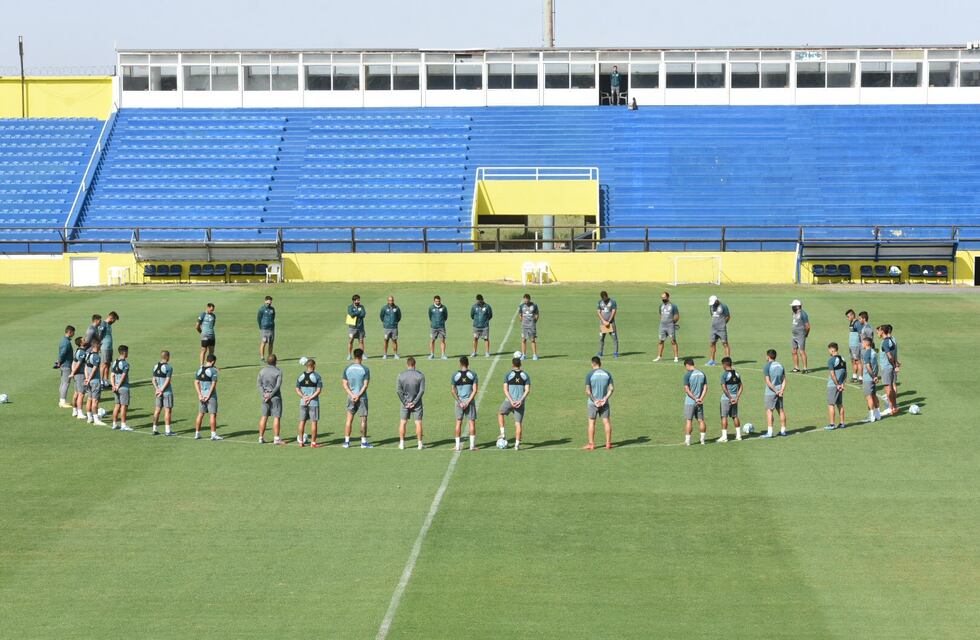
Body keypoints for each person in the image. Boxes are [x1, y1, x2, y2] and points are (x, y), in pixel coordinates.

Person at [342, 348, 373, 448]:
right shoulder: (365, 369)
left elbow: (344, 384)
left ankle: (346, 442)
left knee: (349, 420)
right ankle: (363, 442)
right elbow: (365, 385)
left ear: (354, 356)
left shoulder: (347, 369)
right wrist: (358, 395)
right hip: (362, 397)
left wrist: (352, 395)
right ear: (361, 356)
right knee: (363, 419)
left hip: (350, 397)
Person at [498, 358, 531, 450]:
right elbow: (527, 390)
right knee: (518, 423)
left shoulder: (508, 375)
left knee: (500, 413)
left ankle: (502, 433)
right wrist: (520, 400)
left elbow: (505, 389)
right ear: (520, 364)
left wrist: (511, 401)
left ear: (512, 365)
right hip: (520, 403)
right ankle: (517, 445)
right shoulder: (525, 375)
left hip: (509, 401)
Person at [583, 356, 614, 450]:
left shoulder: (590, 374)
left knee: (591, 423)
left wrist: (595, 400)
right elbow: (611, 389)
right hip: (604, 403)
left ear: (592, 364)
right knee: (606, 422)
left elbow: (587, 391)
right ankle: (608, 443)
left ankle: (591, 444)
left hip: (593, 403)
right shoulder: (607, 374)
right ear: (600, 363)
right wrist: (605, 399)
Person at [396, 357, 426, 450]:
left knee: (403, 422)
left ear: (407, 364)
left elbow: (398, 391)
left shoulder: (401, 375)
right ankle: (420, 444)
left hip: (405, 403)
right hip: (417, 403)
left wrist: (405, 402)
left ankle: (402, 444)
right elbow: (421, 391)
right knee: (418, 422)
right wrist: (414, 402)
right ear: (414, 364)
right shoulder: (420, 375)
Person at [451, 356, 479, 451]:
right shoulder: (473, 374)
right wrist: (467, 402)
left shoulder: (455, 375)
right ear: (468, 363)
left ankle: (457, 446)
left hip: (459, 402)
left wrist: (460, 402)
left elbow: (453, 391)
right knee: (471, 422)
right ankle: (472, 446)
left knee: (458, 422)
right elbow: (475, 390)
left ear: (460, 364)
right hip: (469, 402)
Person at [296, 358, 324, 448]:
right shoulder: (317, 376)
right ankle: (313, 443)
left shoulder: (300, 376)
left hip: (303, 402)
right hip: (313, 403)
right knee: (314, 422)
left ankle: (301, 442)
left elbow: (297, 389)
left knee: (302, 421)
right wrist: (310, 398)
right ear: (313, 365)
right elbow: (318, 390)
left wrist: (303, 397)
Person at [194, 354, 222, 441]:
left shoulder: (199, 369)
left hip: (202, 396)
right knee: (212, 414)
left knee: (200, 414)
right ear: (213, 362)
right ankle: (213, 435)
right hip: (211, 396)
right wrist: (209, 395)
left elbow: (196, 382)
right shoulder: (213, 371)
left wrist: (199, 395)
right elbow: (213, 384)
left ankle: (197, 433)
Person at [761, 349, 788, 438]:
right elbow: (784, 380)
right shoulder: (780, 365)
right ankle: (783, 431)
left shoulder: (767, 366)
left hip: (770, 392)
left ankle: (770, 432)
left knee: (769, 411)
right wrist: (781, 390)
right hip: (780, 391)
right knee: (781, 410)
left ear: (768, 356)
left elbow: (768, 381)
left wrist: (775, 391)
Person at [257, 354, 283, 445]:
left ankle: (260, 437)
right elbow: (277, 386)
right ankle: (276, 438)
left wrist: (264, 395)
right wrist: (270, 395)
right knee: (276, 417)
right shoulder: (278, 371)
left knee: (264, 416)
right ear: (276, 361)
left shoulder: (262, 371)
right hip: (275, 397)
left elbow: (259, 385)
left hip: (264, 397)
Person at [682, 358, 708, 445]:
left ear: (687, 365)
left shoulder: (687, 375)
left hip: (690, 402)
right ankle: (702, 440)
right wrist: (700, 398)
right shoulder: (702, 373)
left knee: (689, 420)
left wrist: (695, 398)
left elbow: (687, 389)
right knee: (701, 420)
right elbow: (705, 388)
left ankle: (688, 441)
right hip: (699, 402)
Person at [151, 350, 175, 436]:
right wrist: (161, 390)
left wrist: (157, 389)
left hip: (158, 392)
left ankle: (154, 429)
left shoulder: (155, 366)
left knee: (157, 410)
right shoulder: (168, 367)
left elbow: (153, 380)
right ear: (167, 357)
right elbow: (167, 380)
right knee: (167, 411)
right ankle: (167, 431)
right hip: (166, 392)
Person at [718, 357, 743, 442]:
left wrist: (730, 398)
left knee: (724, 417)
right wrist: (737, 397)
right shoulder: (737, 374)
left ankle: (724, 437)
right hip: (735, 398)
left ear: (725, 364)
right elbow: (741, 386)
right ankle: (739, 436)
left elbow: (724, 388)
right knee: (735, 416)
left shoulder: (724, 375)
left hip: (726, 398)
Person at [83, 337, 106, 426]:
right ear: (97, 345)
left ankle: (89, 418)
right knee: (95, 401)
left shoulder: (88, 355)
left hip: (89, 381)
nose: (101, 346)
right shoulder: (96, 356)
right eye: (100, 345)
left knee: (89, 399)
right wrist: (89, 378)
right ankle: (96, 419)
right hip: (95, 381)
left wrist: (86, 378)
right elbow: (94, 369)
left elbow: (86, 367)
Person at [878, 324, 900, 417]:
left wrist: (894, 365)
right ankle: (894, 406)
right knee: (891, 388)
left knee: (888, 389)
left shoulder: (885, 342)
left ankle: (891, 408)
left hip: (887, 368)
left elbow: (889, 356)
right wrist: (895, 365)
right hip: (890, 367)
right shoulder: (891, 340)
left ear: (883, 331)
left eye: (879, 330)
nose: (878, 332)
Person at [109, 345, 132, 432]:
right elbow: (123, 376)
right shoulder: (125, 364)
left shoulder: (115, 362)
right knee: (124, 406)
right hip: (123, 387)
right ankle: (123, 425)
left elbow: (112, 375)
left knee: (117, 405)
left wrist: (113, 385)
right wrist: (118, 385)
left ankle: (114, 424)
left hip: (116, 387)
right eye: (127, 352)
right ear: (124, 352)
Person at [825, 343, 847, 431]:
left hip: (833, 385)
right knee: (839, 404)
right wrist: (842, 384)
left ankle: (832, 424)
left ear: (832, 350)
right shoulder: (843, 359)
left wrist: (837, 384)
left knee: (831, 405)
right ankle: (842, 423)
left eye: (829, 350)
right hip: (840, 385)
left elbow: (832, 374)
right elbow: (845, 373)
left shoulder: (831, 360)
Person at [861, 336, 882, 423]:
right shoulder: (873, 352)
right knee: (874, 395)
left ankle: (871, 416)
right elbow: (876, 365)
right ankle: (878, 414)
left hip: (868, 378)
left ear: (866, 344)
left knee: (869, 397)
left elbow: (868, 366)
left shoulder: (867, 353)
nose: (862, 344)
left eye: (863, 343)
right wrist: (875, 376)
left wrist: (873, 377)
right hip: (873, 378)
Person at [655, 291, 680, 362]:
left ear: (668, 297)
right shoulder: (661, 306)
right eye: (662, 297)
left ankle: (676, 357)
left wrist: (672, 323)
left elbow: (677, 316)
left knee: (673, 341)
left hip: (670, 326)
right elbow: (661, 315)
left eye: (664, 297)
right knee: (661, 341)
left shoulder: (673, 306)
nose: (663, 299)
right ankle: (659, 356)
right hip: (662, 326)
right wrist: (663, 322)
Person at [706, 295, 731, 366]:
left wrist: (723, 323)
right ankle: (712, 360)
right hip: (713, 329)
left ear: (717, 301)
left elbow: (728, 316)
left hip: (721, 329)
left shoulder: (723, 306)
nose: (713, 304)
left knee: (725, 343)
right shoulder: (711, 307)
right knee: (712, 343)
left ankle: (728, 361)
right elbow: (712, 315)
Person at [56, 325, 75, 409]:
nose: (73, 334)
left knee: (63, 383)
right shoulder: (66, 342)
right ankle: (62, 401)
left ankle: (62, 400)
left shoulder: (63, 340)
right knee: (65, 383)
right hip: (66, 365)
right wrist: (59, 361)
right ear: (70, 332)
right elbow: (62, 353)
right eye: (73, 332)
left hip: (64, 364)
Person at [97, 312, 119, 385]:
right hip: (104, 347)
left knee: (108, 364)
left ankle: (106, 380)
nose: (114, 322)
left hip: (109, 347)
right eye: (114, 320)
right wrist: (99, 346)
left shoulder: (109, 325)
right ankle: (101, 381)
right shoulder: (103, 324)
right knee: (103, 364)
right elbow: (99, 335)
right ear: (111, 318)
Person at [70, 337, 88, 419]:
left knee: (76, 393)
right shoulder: (82, 352)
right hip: (80, 374)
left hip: (76, 375)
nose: (85, 340)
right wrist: (73, 373)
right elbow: (79, 363)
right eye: (84, 340)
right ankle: (80, 413)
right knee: (81, 394)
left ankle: (74, 411)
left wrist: (73, 372)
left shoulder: (77, 350)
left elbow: (73, 362)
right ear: (81, 343)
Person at [596, 291, 618, 359]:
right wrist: (603, 321)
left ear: (607, 296)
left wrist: (609, 321)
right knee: (601, 338)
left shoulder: (613, 302)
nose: (604, 299)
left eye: (605, 298)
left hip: (611, 323)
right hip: (603, 324)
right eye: (603, 298)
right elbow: (598, 312)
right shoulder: (599, 302)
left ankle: (615, 353)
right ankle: (600, 352)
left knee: (614, 338)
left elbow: (614, 311)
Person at [790, 299, 810, 374]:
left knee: (802, 351)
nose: (792, 307)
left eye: (793, 306)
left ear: (797, 307)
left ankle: (805, 368)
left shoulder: (803, 314)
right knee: (794, 351)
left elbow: (808, 326)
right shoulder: (794, 313)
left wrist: (806, 334)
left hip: (801, 335)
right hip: (794, 335)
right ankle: (796, 367)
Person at [518, 293, 540, 360]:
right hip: (524, 326)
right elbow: (520, 314)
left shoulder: (534, 305)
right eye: (525, 300)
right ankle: (524, 355)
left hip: (531, 325)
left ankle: (534, 355)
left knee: (532, 340)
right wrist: (522, 320)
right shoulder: (521, 306)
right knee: (523, 339)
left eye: (527, 300)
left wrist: (534, 321)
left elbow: (537, 314)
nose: (526, 301)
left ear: (529, 299)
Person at [347, 294, 367, 360]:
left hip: (360, 327)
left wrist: (356, 313)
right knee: (350, 341)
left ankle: (362, 355)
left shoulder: (362, 307)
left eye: (359, 300)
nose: (359, 301)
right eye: (358, 300)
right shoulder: (350, 307)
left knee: (361, 341)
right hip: (352, 327)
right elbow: (351, 314)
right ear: (354, 301)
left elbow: (363, 314)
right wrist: (358, 312)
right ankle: (349, 355)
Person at [428, 295, 448, 360]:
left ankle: (443, 355)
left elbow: (446, 317)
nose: (437, 302)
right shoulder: (431, 308)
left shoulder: (444, 307)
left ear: (440, 301)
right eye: (436, 301)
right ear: (434, 301)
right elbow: (430, 316)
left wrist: (441, 322)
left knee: (442, 340)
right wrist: (433, 322)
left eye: (438, 301)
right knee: (432, 340)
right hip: (433, 327)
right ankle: (432, 354)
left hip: (441, 327)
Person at [845, 309, 863, 382]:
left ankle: (861, 378)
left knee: (858, 361)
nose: (848, 318)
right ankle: (854, 377)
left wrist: (862, 344)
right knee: (853, 361)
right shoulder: (851, 322)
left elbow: (861, 334)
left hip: (856, 345)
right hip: (851, 345)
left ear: (853, 315)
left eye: (848, 316)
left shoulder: (857, 323)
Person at [257, 296, 276, 363]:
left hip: (271, 328)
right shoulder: (261, 309)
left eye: (270, 301)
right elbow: (259, 319)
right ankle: (262, 358)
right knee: (264, 342)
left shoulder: (272, 309)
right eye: (268, 300)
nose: (269, 302)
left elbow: (273, 317)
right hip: (264, 329)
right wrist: (261, 327)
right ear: (265, 301)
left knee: (271, 343)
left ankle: (270, 358)